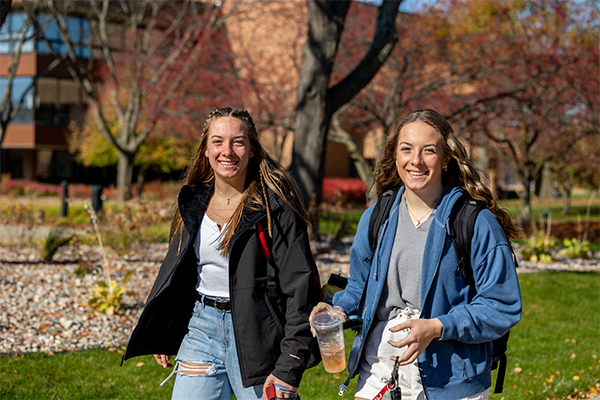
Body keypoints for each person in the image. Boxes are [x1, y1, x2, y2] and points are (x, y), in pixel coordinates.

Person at [310, 109, 522, 400]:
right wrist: (338, 310)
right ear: (395, 155)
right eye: (406, 149)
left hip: (449, 372)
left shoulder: (474, 222)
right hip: (380, 360)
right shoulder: (377, 217)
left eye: (429, 151)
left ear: (446, 158)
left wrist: (437, 326)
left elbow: (502, 305)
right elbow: (360, 286)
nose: (416, 160)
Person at [123, 107, 320, 400]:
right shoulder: (192, 201)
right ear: (205, 149)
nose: (227, 151)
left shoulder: (275, 208)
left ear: (252, 149)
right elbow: (176, 270)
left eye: (238, 142)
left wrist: (290, 363)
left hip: (259, 336)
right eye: (218, 141)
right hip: (202, 329)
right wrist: (165, 329)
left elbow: (300, 288)